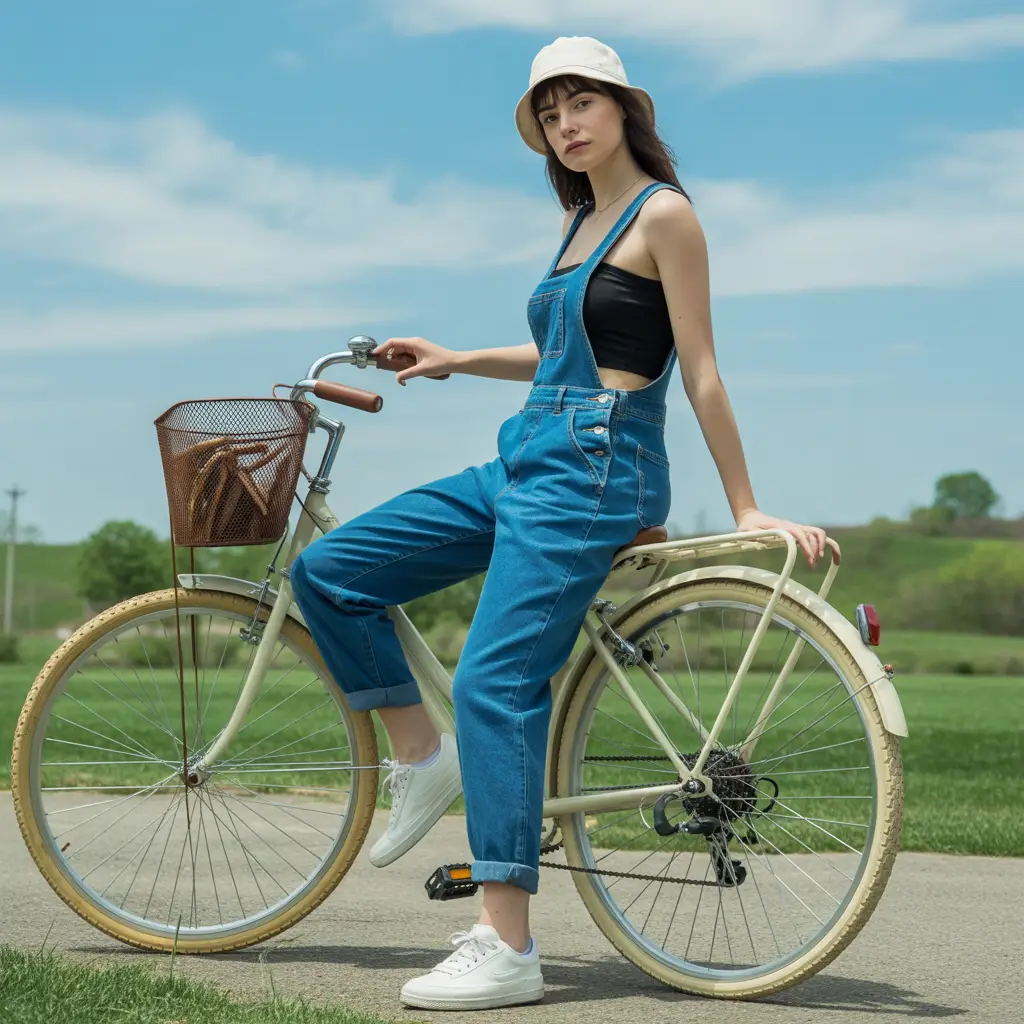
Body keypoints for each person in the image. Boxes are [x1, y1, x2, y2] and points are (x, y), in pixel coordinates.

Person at [289, 35, 826, 1012]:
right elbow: (560, 357)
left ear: (625, 109)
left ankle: (506, 943)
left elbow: (697, 366)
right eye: (549, 112)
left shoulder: (664, 216)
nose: (565, 123)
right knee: (329, 569)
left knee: (496, 677)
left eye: (581, 103)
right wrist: (454, 357)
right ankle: (421, 753)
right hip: (528, 455)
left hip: (598, 467)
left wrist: (746, 502)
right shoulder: (579, 220)